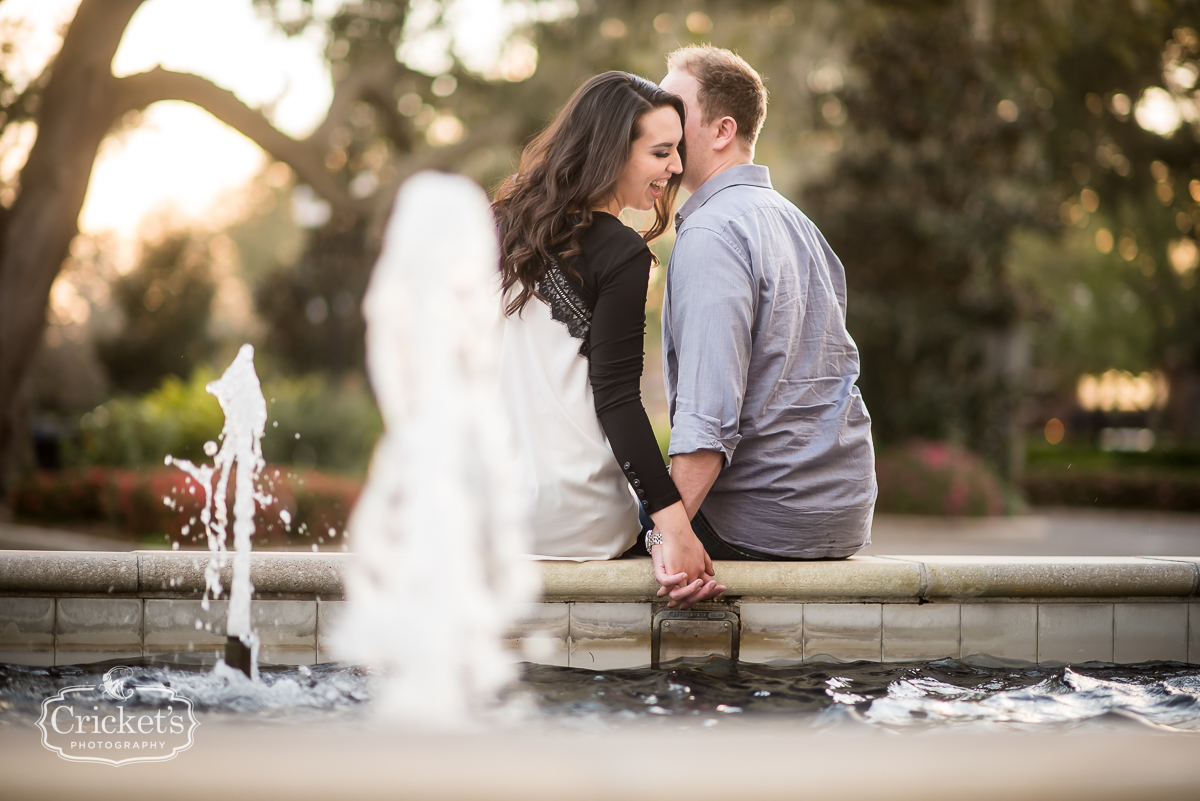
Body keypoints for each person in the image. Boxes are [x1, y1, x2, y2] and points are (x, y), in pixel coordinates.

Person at [493, 71, 725, 606]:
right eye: (662, 151)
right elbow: (617, 399)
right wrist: (674, 532)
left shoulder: (496, 225)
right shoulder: (623, 253)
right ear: (610, 152)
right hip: (575, 521)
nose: (676, 167)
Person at [658, 46, 877, 561]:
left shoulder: (713, 231)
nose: (657, 119)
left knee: (589, 517)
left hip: (756, 522)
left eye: (673, 107)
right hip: (842, 515)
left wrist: (663, 537)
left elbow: (708, 423)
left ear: (722, 131)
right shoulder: (796, 222)